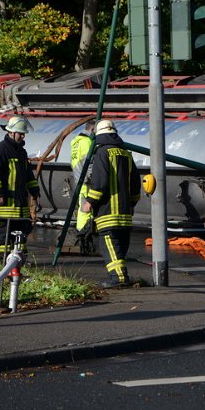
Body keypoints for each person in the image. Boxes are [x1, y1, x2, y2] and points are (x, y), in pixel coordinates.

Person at [82, 119, 141, 288]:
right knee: (120, 248)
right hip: (125, 213)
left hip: (108, 213)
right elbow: (135, 182)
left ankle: (119, 278)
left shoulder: (102, 153)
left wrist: (90, 202)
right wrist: (132, 204)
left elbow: (100, 182)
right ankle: (122, 276)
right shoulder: (126, 154)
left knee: (109, 247)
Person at [0, 116, 41, 262]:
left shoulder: (21, 152)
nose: (23, 136)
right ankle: (2, 258)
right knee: (4, 229)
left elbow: (28, 174)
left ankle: (20, 259)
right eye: (20, 133)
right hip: (5, 201)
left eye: (23, 134)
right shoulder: (0, 150)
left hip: (20, 202)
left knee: (21, 230)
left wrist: (34, 190)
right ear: (11, 132)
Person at [70, 119, 96, 254]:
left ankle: (82, 237)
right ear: (92, 130)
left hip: (79, 179)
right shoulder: (87, 142)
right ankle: (84, 239)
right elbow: (90, 163)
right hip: (87, 181)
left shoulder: (75, 141)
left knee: (82, 209)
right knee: (86, 210)